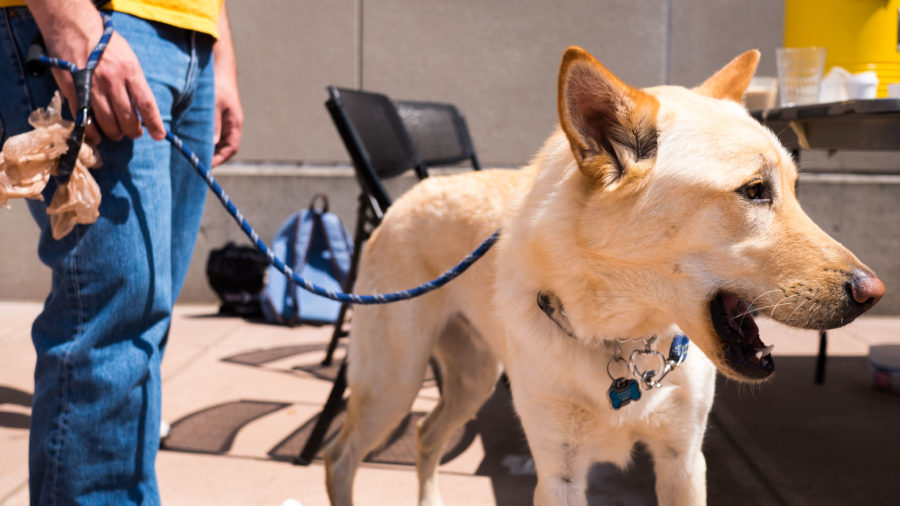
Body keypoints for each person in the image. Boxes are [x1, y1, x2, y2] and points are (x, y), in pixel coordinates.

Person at [0, 0, 243, 503]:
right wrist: (69, 22)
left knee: (141, 327)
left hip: (187, 35)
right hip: (101, 22)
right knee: (111, 320)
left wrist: (217, 48)